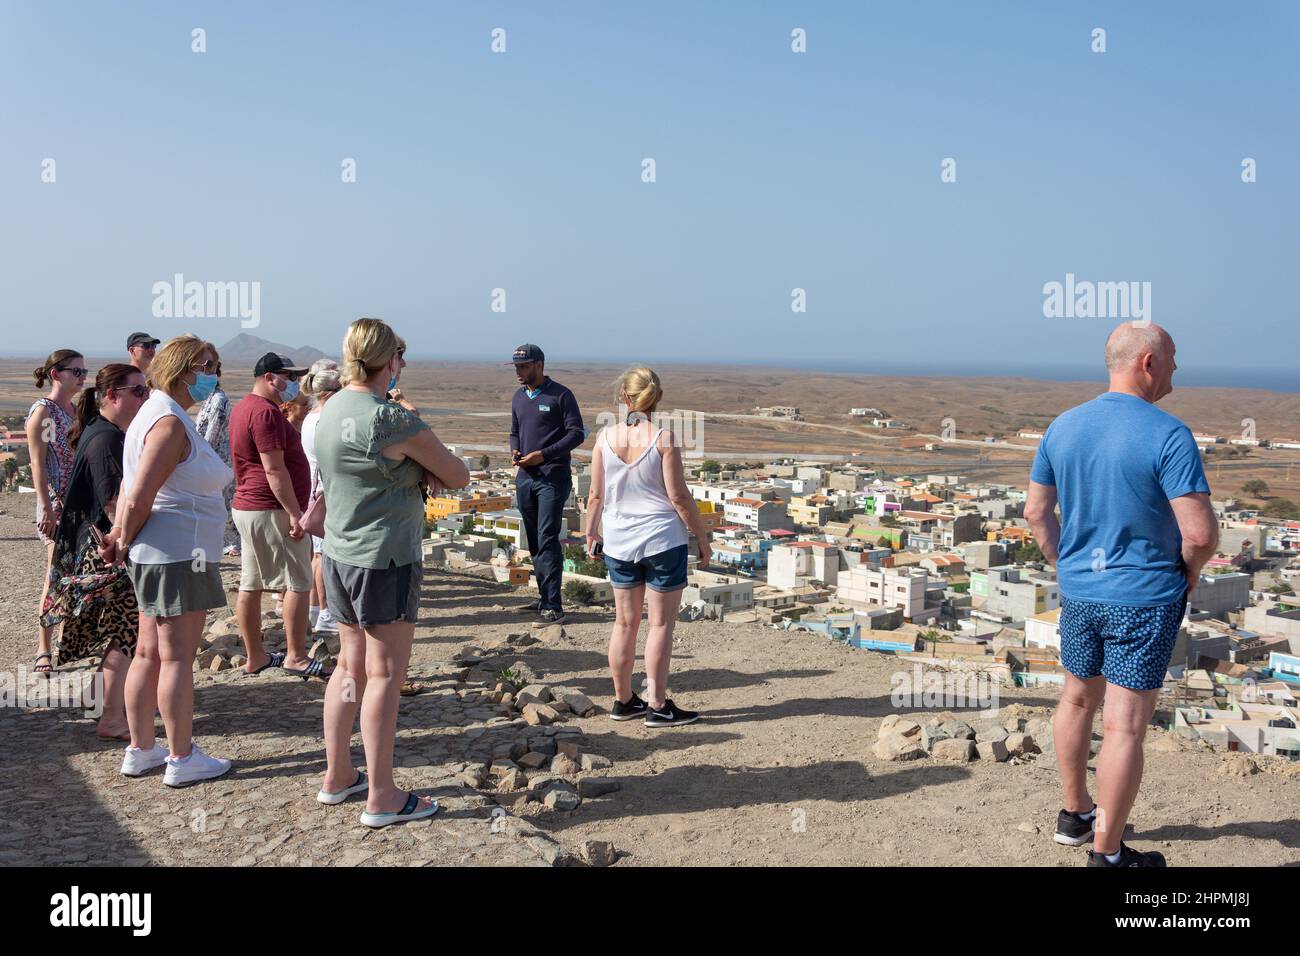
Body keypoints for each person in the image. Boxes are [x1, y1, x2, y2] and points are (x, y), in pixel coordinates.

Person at [1025, 322, 1217, 867]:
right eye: (1173, 358)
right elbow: (1200, 534)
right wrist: (1191, 572)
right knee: (1124, 725)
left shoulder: (1062, 427)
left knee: (1075, 700)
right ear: (1149, 363)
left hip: (1082, 593)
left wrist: (1069, 565)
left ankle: (1074, 815)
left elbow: (1037, 514)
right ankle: (1108, 856)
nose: (1178, 369)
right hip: (1144, 598)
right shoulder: (1168, 434)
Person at [315, 318, 469, 826]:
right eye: (400, 355)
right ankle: (382, 796)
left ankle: (338, 775)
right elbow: (458, 475)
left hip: (339, 555)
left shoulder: (332, 405)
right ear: (391, 361)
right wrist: (414, 432)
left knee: (347, 668)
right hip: (386, 558)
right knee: (384, 674)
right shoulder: (389, 419)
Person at [102, 335, 234, 786]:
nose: (213, 374)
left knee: (148, 653)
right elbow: (139, 495)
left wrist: (124, 538)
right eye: (207, 364)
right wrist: (122, 538)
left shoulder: (155, 414)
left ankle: (142, 749)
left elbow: (132, 489)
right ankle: (181, 757)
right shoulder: (168, 422)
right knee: (176, 659)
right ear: (181, 369)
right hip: (180, 554)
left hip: (161, 552)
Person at [584, 367, 710, 727]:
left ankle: (623, 701)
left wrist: (591, 533)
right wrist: (701, 537)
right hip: (661, 541)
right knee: (660, 625)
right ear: (657, 398)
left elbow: (595, 495)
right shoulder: (663, 439)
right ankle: (657, 705)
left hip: (619, 542)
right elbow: (679, 496)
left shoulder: (605, 438)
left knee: (624, 623)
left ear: (625, 397)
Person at [42, 364, 149, 739]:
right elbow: (112, 502)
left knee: (120, 632)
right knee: (128, 633)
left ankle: (94, 700)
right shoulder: (107, 439)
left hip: (99, 548)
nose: (145, 397)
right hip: (109, 549)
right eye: (137, 391)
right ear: (112, 395)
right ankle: (111, 718)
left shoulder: (101, 431)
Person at [228, 352, 325, 679]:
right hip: (270, 508)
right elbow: (274, 469)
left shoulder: (243, 407)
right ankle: (296, 657)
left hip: (248, 506)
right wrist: (295, 514)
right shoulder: (266, 414)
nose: (294, 384)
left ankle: (255, 656)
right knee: (299, 581)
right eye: (289, 377)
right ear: (270, 378)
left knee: (251, 582)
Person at [508, 343, 586, 623]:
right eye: (516, 366)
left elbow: (577, 434)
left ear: (539, 365)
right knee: (534, 541)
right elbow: (515, 431)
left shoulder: (561, 395)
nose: (519, 371)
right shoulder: (519, 396)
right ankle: (543, 598)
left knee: (547, 537)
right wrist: (515, 451)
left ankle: (554, 604)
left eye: (524, 366)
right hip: (525, 478)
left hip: (552, 478)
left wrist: (543, 455)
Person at [27, 349, 85, 675]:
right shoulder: (44, 412)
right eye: (75, 370)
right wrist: (48, 508)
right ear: (56, 374)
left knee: (74, 576)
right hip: (56, 508)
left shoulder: (74, 411)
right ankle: (43, 648)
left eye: (84, 370)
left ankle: (67, 642)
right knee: (55, 575)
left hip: (77, 507)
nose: (82, 376)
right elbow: (39, 465)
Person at [300, 359, 342, 633]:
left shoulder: (310, 416)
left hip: (316, 493)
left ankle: (316, 609)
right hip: (327, 495)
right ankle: (327, 613)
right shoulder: (326, 420)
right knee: (325, 557)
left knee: (318, 555)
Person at [193, 346, 239, 555]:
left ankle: (227, 544)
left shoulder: (219, 399)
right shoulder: (208, 399)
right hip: (210, 460)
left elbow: (211, 435)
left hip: (217, 461)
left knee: (221, 505)